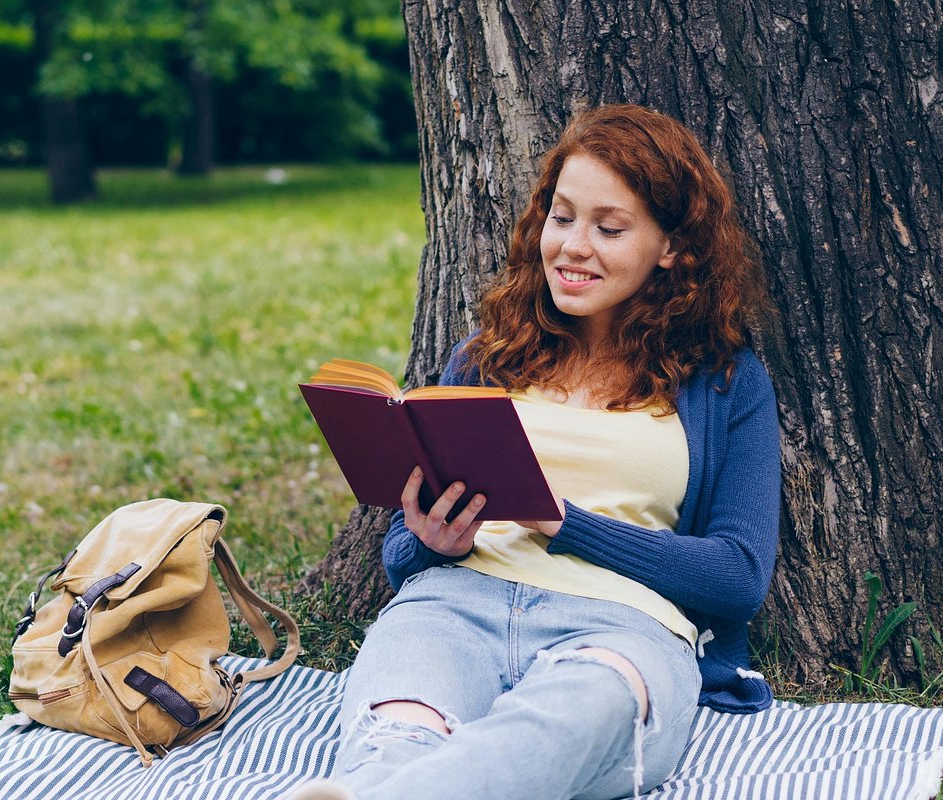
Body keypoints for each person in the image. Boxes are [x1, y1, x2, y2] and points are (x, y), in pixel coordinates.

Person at [286, 104, 784, 800]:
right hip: (452, 607)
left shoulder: (725, 382)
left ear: (671, 247)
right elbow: (402, 555)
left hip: (621, 629)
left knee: (568, 716)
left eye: (609, 228)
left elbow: (737, 577)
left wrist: (566, 524)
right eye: (562, 216)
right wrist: (430, 540)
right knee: (397, 731)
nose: (573, 246)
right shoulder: (486, 358)